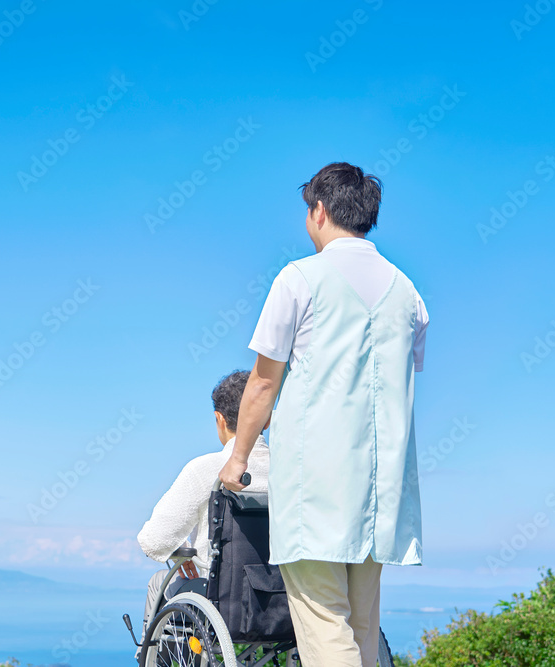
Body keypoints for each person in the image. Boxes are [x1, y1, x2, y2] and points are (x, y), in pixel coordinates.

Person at [219, 162, 429, 667]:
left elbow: (263, 382)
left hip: (317, 484)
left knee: (324, 628)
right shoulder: (410, 295)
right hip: (383, 492)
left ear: (318, 210)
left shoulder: (299, 279)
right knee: (361, 629)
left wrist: (237, 457)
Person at [136, 370, 271, 645]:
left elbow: (153, 541)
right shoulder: (295, 471)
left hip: (223, 603)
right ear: (266, 418)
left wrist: (179, 553)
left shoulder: (207, 469)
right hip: (284, 596)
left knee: (158, 582)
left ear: (219, 419)